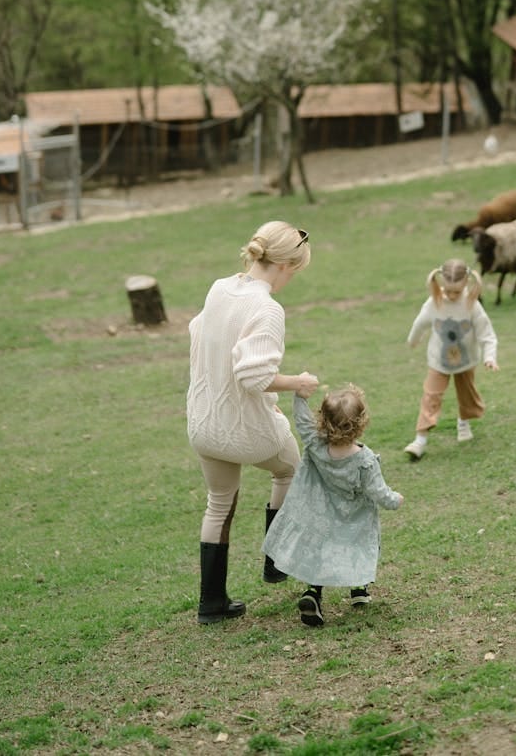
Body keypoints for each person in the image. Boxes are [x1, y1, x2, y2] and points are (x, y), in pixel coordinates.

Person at [187, 220, 319, 623]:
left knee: (219, 504)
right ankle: (275, 561)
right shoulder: (266, 308)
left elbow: (198, 330)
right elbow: (254, 376)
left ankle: (211, 604)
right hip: (246, 431)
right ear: (286, 266)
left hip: (203, 424)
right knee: (293, 471)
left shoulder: (219, 287)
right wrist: (299, 383)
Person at [262, 383, 403, 627]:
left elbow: (302, 422)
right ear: (361, 423)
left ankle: (313, 593)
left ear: (323, 421)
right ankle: (359, 589)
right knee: (359, 546)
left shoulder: (316, 445)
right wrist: (395, 499)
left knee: (320, 552)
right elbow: (378, 492)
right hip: (355, 518)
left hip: (321, 514)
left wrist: (300, 397)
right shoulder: (365, 461)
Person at [403, 257, 499, 460]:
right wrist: (413, 341)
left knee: (467, 394)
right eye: (448, 291)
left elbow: (486, 334)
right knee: (431, 395)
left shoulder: (472, 305)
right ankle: (420, 440)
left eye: (457, 291)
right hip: (439, 361)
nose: (452, 295)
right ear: (440, 284)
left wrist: (490, 357)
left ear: (466, 283)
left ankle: (463, 422)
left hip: (466, 360)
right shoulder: (434, 302)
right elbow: (420, 323)